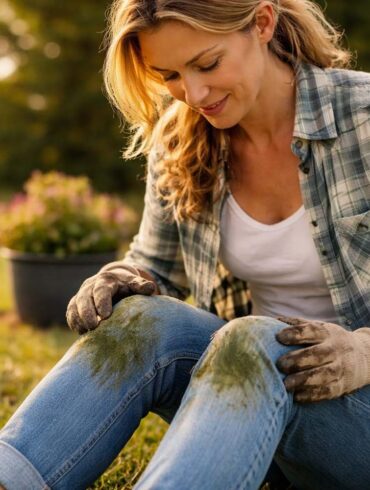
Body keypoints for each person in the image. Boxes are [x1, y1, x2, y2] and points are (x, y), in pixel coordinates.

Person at [0, 0, 369, 488]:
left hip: (354, 423)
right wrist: (121, 281)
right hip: (249, 409)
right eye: (169, 74)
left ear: (262, 23)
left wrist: (364, 350)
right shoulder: (182, 138)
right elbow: (155, 269)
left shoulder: (362, 118)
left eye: (208, 63)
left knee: (254, 337)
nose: (193, 93)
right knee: (147, 318)